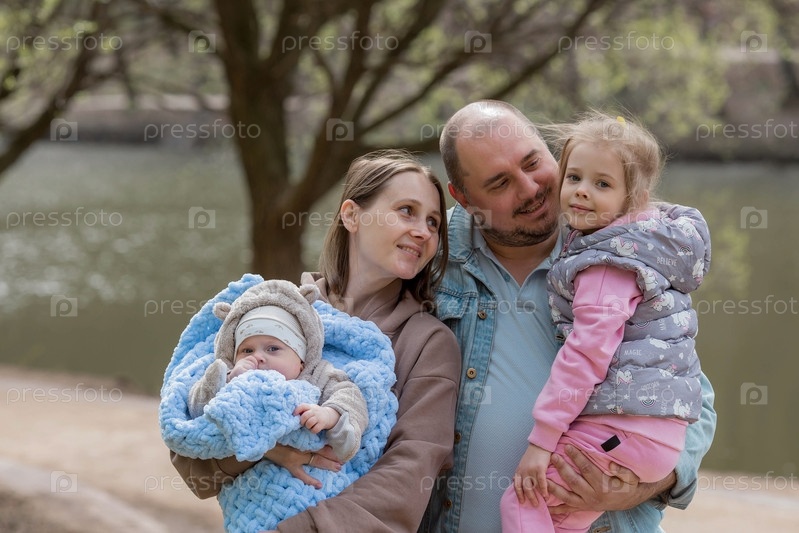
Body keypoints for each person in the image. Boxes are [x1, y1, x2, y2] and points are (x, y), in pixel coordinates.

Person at [420, 101, 717, 532]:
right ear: (463, 198)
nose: (529, 188)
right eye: (501, 182)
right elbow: (355, 307)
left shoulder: (619, 249)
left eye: (533, 162)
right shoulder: (430, 254)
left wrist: (648, 483)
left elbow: (693, 397)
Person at [169, 149, 462, 532]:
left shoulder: (428, 344)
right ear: (351, 215)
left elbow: (410, 474)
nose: (423, 231)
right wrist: (267, 446)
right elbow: (194, 469)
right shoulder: (276, 310)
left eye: (434, 222)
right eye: (407, 210)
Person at [498, 112, 711, 533]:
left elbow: (585, 355)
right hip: (657, 436)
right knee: (560, 520)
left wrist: (542, 441)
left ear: (633, 198)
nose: (581, 191)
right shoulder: (649, 248)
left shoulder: (605, 265)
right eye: (574, 177)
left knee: (523, 500)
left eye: (602, 184)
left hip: (622, 429)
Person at [187, 279, 369, 465]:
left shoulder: (318, 376)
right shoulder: (232, 382)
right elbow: (197, 410)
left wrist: (330, 415)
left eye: (272, 348)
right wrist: (227, 378)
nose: (258, 357)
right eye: (247, 350)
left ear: (301, 359)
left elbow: (350, 396)